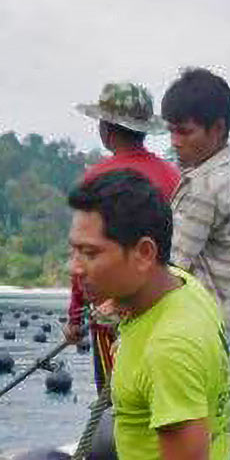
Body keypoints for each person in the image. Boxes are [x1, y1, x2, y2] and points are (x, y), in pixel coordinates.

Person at [66, 170, 230, 460]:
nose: (75, 267)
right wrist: (118, 304)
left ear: (144, 253)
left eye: (91, 253)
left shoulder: (170, 349)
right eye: (74, 250)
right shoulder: (185, 287)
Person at [64, 81, 181, 389]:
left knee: (117, 399)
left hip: (111, 308)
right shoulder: (172, 176)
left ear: (106, 128)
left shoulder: (98, 179)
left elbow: (87, 256)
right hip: (165, 304)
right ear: (143, 129)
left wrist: (75, 318)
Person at [161, 67, 230, 326]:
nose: (175, 141)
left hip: (192, 324)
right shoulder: (226, 174)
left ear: (218, 129)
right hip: (213, 324)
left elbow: (170, 268)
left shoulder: (205, 187)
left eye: (185, 132)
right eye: (171, 131)